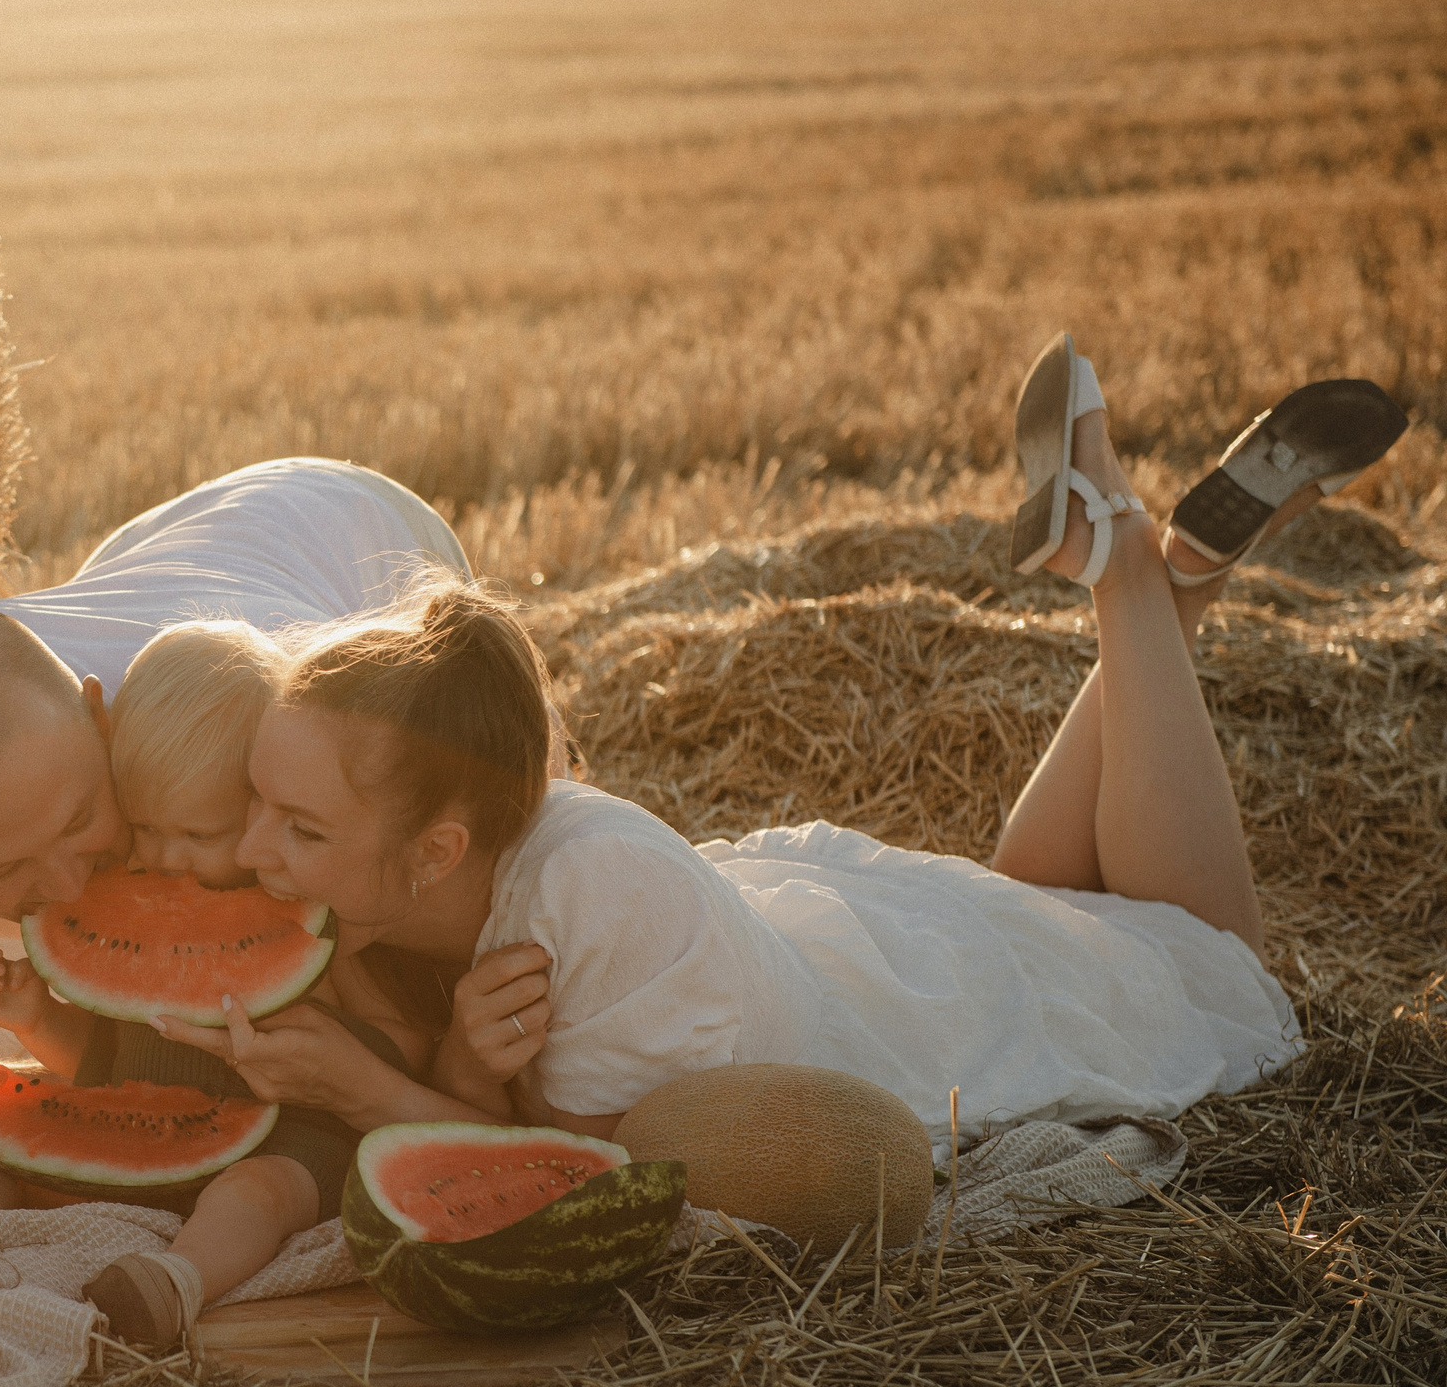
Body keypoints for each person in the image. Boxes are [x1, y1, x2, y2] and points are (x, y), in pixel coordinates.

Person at [152, 340, 1404, 1155]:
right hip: (891, 956)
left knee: (1213, 968)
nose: (253, 851)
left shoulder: (588, 894)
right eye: (262, 803)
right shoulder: (436, 867)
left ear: (435, 847)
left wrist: (369, 1086)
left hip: (899, 1038)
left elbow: (595, 1181)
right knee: (1054, 909)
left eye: (300, 828)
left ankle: (1134, 575)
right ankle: (1170, 587)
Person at [0, 620, 428, 1347]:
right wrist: (33, 1018)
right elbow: (95, 1055)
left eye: (84, 819)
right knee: (4, 1144)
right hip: (134, 1117)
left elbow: (410, 1039)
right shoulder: (116, 855)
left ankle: (176, 1281)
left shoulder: (300, 894)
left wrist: (344, 1066)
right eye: (146, 831)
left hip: (286, 1133)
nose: (73, 881)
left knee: (257, 1194)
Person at [0, 458, 470, 1135]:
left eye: (80, 819)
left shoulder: (266, 729)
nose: (69, 879)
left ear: (99, 713)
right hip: (156, 559)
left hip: (368, 537)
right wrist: (102, 1107)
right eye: (4, 869)